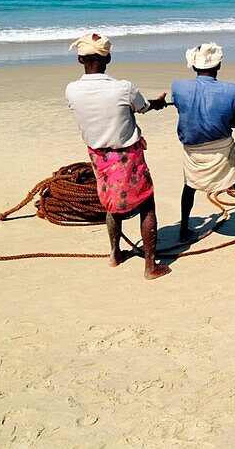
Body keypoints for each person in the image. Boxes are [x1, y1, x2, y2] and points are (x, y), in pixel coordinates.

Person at [65, 32, 171, 280]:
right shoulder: (123, 88)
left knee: (111, 204)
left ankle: (115, 254)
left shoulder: (72, 90)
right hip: (128, 157)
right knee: (147, 204)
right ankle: (150, 267)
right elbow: (142, 106)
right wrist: (157, 103)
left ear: (80, 59)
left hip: (98, 158)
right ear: (108, 58)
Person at [171, 43, 235, 257]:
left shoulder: (178, 87)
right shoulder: (232, 90)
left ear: (193, 67)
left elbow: (182, 109)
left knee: (189, 185)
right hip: (221, 148)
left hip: (192, 150)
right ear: (218, 65)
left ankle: (183, 231)